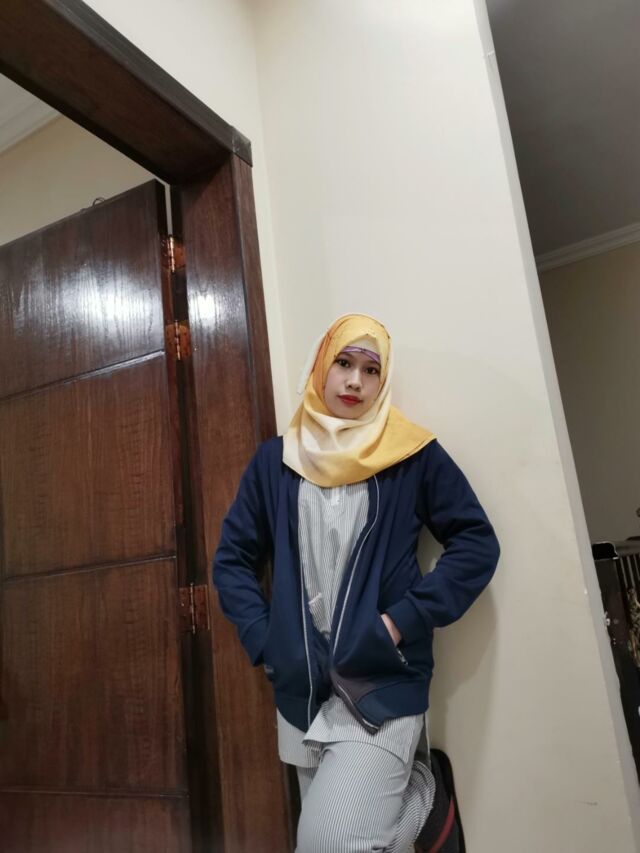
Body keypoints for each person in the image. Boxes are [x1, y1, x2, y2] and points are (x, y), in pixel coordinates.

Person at [213, 313, 500, 852]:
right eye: (343, 362)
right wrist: (267, 639)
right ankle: (424, 814)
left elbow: (476, 543)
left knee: (329, 844)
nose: (354, 381)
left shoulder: (411, 457)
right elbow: (232, 560)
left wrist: (401, 621)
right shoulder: (275, 462)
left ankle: (421, 795)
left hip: (379, 682)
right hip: (301, 693)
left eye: (371, 370)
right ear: (321, 366)